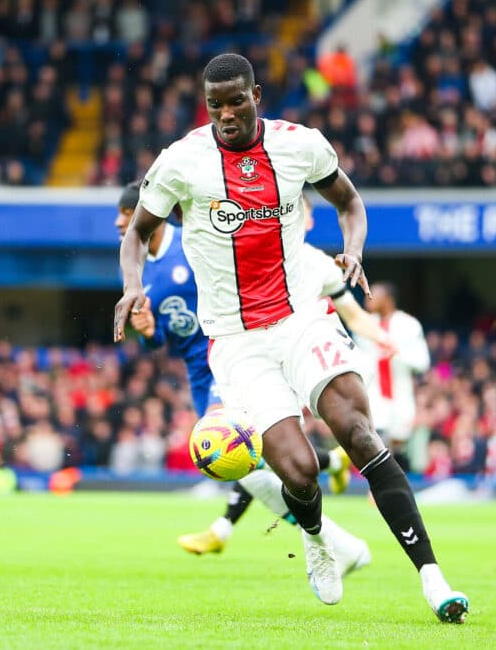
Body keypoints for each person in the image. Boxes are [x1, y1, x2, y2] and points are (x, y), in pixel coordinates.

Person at [115, 53, 468, 621]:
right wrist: (132, 286)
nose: (226, 114)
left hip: (302, 316)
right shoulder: (182, 161)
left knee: (358, 430)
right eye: (215, 105)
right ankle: (315, 537)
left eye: (236, 101)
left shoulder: (299, 145)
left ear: (257, 95)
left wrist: (353, 250)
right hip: (236, 341)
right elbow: (138, 234)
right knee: (298, 470)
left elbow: (350, 203)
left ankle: (433, 578)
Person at [113, 182, 371, 574]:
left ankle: (324, 540)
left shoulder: (192, 244)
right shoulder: (141, 272)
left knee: (230, 453)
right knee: (249, 464)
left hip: (231, 356)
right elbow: (166, 338)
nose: (119, 222)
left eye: (127, 214)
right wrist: (150, 332)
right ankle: (332, 526)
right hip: (200, 373)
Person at [175, 195, 397, 556]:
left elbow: (353, 315)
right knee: (247, 449)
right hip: (242, 359)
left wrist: (384, 339)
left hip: (294, 368)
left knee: (242, 445)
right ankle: (328, 469)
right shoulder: (252, 251)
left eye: (300, 211)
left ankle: (229, 528)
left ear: (305, 221)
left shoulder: (316, 264)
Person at [356, 282, 430, 464]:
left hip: (400, 397)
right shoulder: (363, 325)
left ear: (387, 299)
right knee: (378, 443)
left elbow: (423, 362)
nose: (367, 299)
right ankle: (377, 490)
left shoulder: (408, 325)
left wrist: (396, 354)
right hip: (372, 397)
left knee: (395, 447)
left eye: (373, 294)